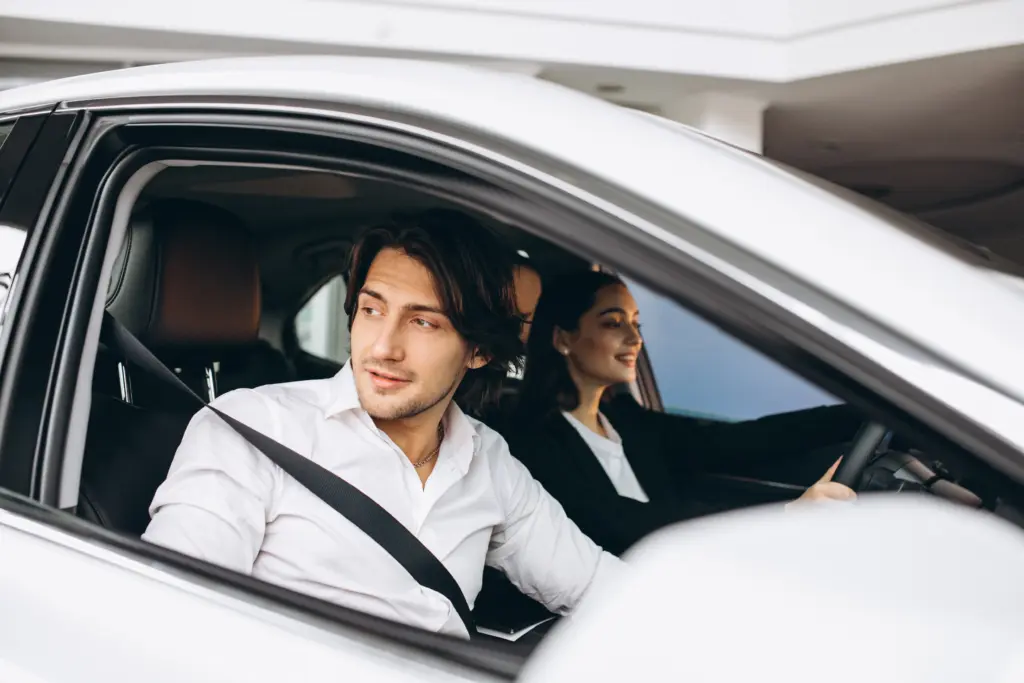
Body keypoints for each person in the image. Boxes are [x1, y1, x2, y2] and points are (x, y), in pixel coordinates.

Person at [142, 209, 620, 639]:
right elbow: (165, 617)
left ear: (480, 350)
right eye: (372, 310)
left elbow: (598, 587)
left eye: (423, 322)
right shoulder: (253, 427)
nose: (383, 347)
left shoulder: (487, 459)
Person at [508, 271, 863, 557]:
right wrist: (783, 516)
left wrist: (858, 414)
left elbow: (738, 441)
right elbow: (611, 521)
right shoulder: (527, 439)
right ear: (563, 338)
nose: (635, 338)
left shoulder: (628, 421)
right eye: (614, 323)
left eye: (636, 323)